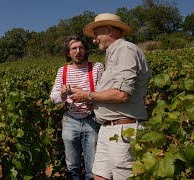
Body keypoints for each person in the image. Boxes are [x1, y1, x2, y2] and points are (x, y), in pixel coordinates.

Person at [70, 13, 152, 180]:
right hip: (109, 129)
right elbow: (112, 94)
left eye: (96, 35)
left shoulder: (126, 50)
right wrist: (90, 100)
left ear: (109, 30)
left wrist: (88, 95)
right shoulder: (113, 54)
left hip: (124, 130)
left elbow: (122, 95)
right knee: (99, 176)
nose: (94, 40)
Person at [50, 35, 104, 179]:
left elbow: (104, 93)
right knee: (72, 166)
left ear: (86, 50)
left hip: (91, 119)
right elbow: (53, 98)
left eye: (81, 48)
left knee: (93, 167)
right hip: (70, 121)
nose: (78, 51)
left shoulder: (97, 67)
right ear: (68, 53)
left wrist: (87, 96)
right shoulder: (63, 71)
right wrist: (62, 93)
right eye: (74, 48)